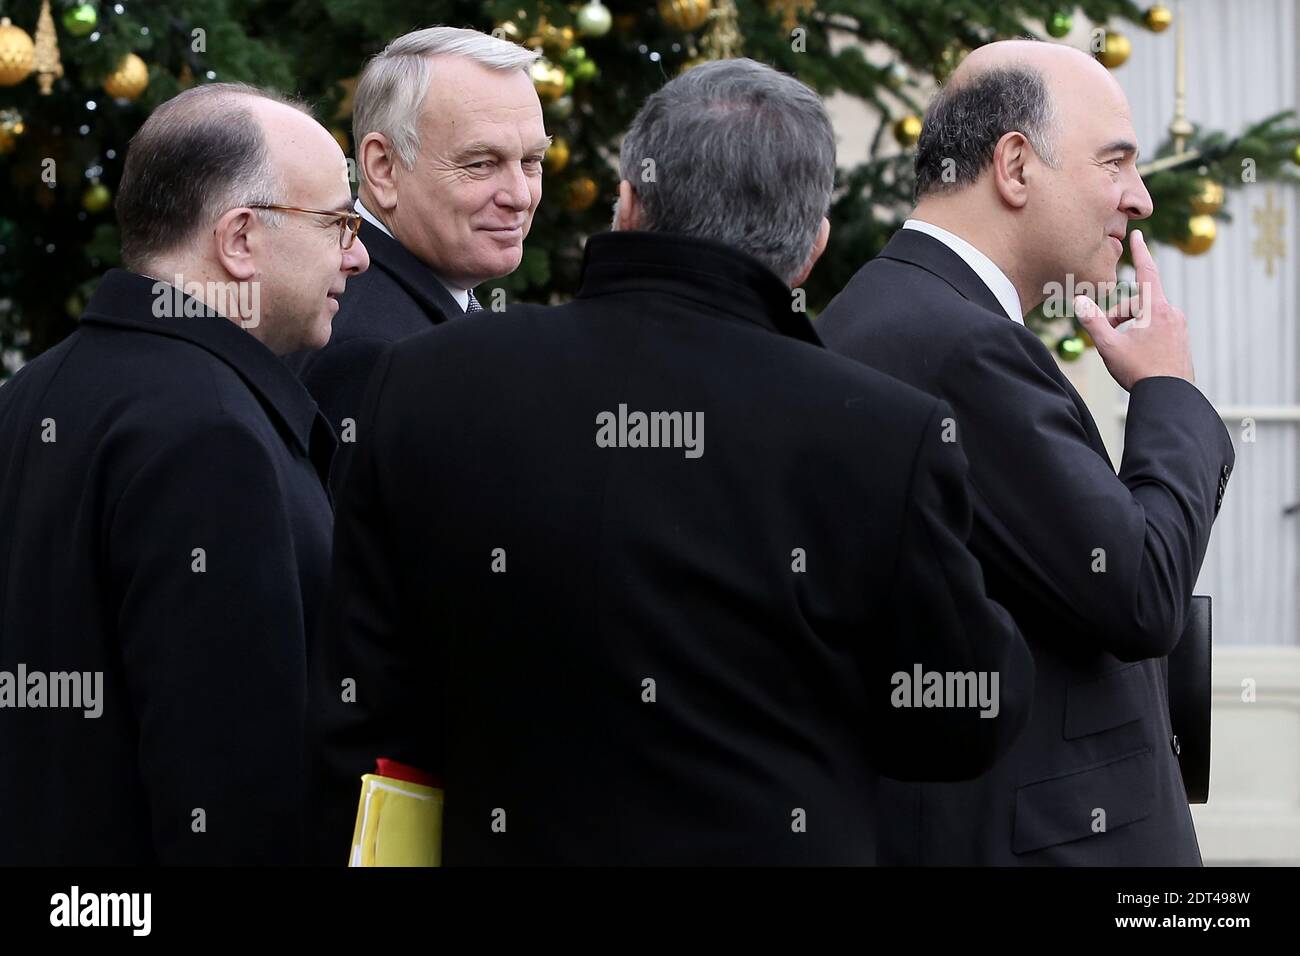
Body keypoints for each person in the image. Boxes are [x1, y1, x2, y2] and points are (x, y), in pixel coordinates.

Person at [306, 58, 1034, 865]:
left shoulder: (432, 381)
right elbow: (967, 713)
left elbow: (364, 701)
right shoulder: (882, 435)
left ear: (627, 204)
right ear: (813, 249)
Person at [818, 40, 1234, 865]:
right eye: (1116, 163)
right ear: (1015, 165)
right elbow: (1141, 591)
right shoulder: (960, 346)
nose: (1141, 200)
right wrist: (1168, 391)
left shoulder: (888, 306)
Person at [0, 82, 368, 864]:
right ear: (240, 239)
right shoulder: (215, 434)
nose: (358, 253)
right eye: (338, 222)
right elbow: (231, 791)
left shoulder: (29, 393)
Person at [286, 25, 548, 479]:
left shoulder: (388, 308)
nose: (520, 195)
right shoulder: (370, 351)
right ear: (383, 168)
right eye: (481, 163)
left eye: (531, 162)